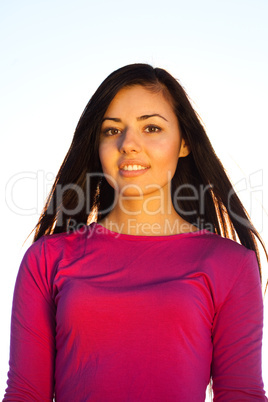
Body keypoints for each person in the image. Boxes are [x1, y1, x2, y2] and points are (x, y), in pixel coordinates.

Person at [3, 63, 267, 401]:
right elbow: (25, 393)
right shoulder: (46, 259)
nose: (128, 144)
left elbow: (241, 394)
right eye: (112, 130)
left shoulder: (230, 264)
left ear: (184, 142)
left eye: (152, 128)